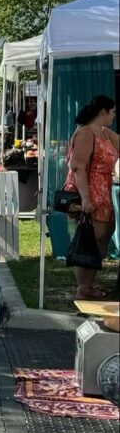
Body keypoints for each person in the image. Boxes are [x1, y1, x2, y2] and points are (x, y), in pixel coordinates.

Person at [64, 95, 119, 299]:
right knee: (90, 239)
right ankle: (83, 287)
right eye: (112, 112)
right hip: (89, 191)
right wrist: (86, 198)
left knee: (102, 239)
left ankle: (89, 284)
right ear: (103, 112)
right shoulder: (86, 132)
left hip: (104, 191)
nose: (114, 115)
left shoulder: (104, 132)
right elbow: (78, 167)